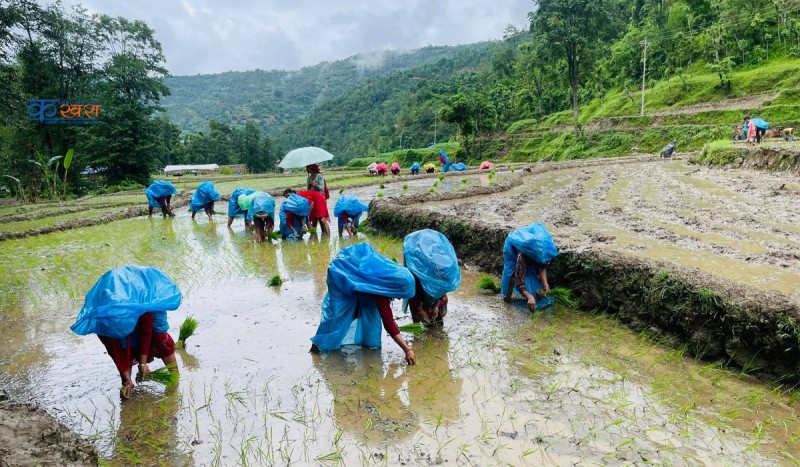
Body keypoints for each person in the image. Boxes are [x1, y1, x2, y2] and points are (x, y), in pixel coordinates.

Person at [70, 266, 182, 399]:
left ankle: (174, 374)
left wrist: (142, 363)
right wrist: (126, 380)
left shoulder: (141, 305)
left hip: (144, 293)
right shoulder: (104, 321)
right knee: (122, 346)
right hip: (113, 308)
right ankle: (127, 382)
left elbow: (146, 332)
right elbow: (115, 351)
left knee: (160, 338)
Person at [310, 244, 417, 365]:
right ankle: (316, 347)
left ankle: (364, 342)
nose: (398, 298)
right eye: (400, 294)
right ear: (396, 287)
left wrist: (392, 322)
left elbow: (387, 316)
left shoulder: (389, 275)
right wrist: (407, 349)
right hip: (341, 274)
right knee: (338, 316)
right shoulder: (380, 290)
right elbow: (388, 323)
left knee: (365, 309)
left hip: (354, 270)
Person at [403, 229, 461, 325]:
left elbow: (442, 290)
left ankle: (435, 317)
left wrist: (436, 307)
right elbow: (412, 294)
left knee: (438, 319)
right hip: (418, 291)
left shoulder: (445, 270)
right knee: (419, 321)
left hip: (434, 294)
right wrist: (420, 310)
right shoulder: (417, 273)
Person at [501, 223, 558, 312]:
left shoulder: (547, 251)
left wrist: (545, 285)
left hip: (533, 251)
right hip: (512, 250)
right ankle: (506, 299)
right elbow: (519, 282)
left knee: (536, 279)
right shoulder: (522, 255)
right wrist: (529, 297)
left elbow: (542, 268)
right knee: (512, 276)